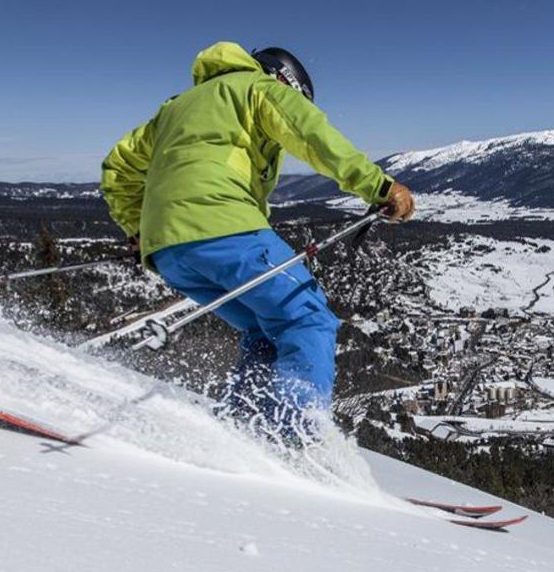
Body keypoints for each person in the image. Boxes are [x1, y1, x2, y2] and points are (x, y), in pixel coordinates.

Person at [100, 41, 415, 443]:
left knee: (264, 329)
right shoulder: (257, 88)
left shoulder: (174, 108)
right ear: (283, 80)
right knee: (307, 319)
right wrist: (380, 187)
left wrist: (137, 227)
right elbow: (312, 135)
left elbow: (118, 167)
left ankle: (244, 431)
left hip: (167, 250)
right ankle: (292, 437)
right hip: (223, 227)